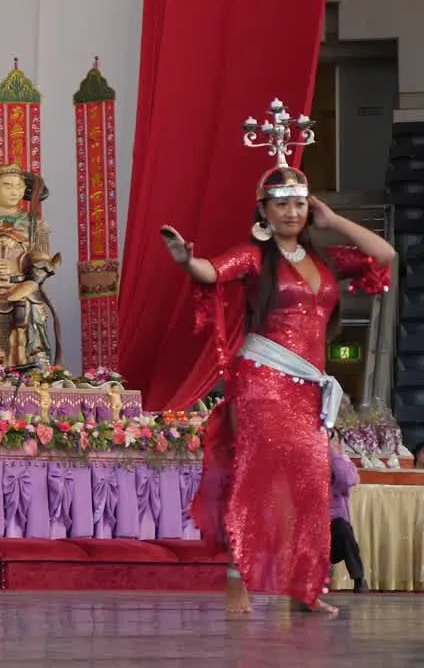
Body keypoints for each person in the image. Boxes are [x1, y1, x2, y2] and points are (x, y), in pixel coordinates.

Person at [162, 124, 393, 613]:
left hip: (309, 388)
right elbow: (210, 271)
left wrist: (335, 219)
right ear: (263, 212)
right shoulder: (255, 256)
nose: (293, 212)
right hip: (264, 382)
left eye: (300, 203)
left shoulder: (326, 259)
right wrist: (186, 259)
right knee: (257, 478)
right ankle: (236, 579)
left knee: (310, 484)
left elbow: (385, 254)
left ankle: (303, 589)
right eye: (282, 204)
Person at [329, 437, 367, 592]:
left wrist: (336, 457)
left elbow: (350, 479)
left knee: (344, 530)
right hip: (317, 522)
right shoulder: (323, 457)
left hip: (334, 520)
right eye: (336, 441)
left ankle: (359, 577)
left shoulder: (341, 461)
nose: (340, 445)